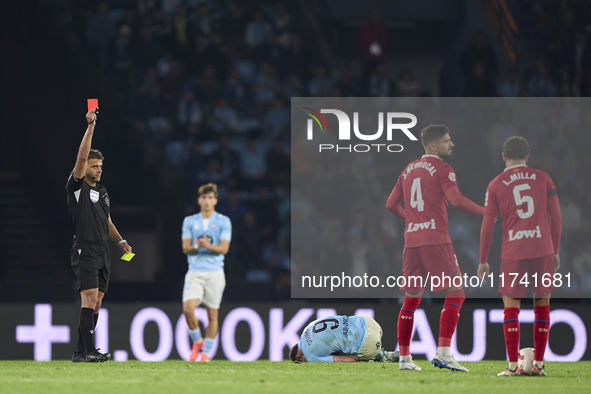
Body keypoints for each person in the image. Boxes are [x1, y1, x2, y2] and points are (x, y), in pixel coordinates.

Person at [385, 124, 484, 371]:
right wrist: (486, 212)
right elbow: (457, 199)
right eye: (446, 141)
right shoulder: (443, 169)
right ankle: (443, 353)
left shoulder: (407, 170)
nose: (451, 144)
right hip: (436, 241)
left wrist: (412, 219)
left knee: (411, 299)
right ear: (433, 146)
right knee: (456, 293)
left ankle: (405, 359)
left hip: (411, 242)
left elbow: (390, 205)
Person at [478, 136, 561, 377]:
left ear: (503, 157)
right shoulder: (543, 177)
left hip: (513, 251)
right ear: (527, 156)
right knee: (542, 306)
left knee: (511, 307)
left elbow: (487, 225)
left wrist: (483, 259)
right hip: (542, 249)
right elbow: (556, 217)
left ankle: (513, 367)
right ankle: (540, 365)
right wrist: (555, 250)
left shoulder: (495, 184)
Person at [66, 109, 133, 362]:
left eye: (101, 166)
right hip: (85, 248)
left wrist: (121, 241)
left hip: (103, 250)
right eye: (95, 166)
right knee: (90, 296)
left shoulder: (102, 192)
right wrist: (91, 126)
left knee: (97, 302)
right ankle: (90, 351)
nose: (99, 169)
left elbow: (106, 222)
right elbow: (82, 155)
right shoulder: (76, 187)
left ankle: (80, 352)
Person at [182, 183, 232, 362]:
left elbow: (224, 248)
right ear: (199, 200)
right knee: (188, 310)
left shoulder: (223, 221)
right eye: (204, 198)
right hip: (195, 271)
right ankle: (197, 341)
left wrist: (207, 245)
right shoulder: (189, 221)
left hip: (215, 272)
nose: (207, 201)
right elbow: (186, 248)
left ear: (215, 200)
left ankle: (206, 353)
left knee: (212, 314)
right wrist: (197, 246)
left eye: (210, 198)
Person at [289, 315, 399, 363]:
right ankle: (385, 354)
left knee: (349, 353)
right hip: (369, 322)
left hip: (368, 342)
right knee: (341, 340)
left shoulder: (311, 356)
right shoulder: (307, 328)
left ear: (298, 357)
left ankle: (375, 355)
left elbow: (350, 360)